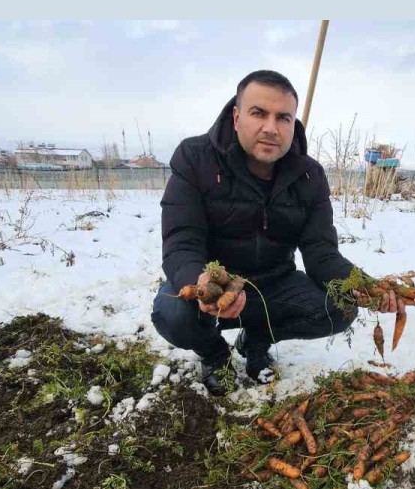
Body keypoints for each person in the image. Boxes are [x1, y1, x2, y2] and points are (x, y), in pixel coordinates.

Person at [151, 70, 400, 396]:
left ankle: (256, 341)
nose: (270, 127)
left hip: (274, 285)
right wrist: (200, 283)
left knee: (340, 308)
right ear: (237, 116)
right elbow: (182, 238)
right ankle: (215, 355)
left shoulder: (309, 176)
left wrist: (362, 284)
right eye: (258, 113)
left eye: (283, 117)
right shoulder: (195, 158)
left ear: (293, 124)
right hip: (215, 286)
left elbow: (321, 252)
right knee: (172, 313)